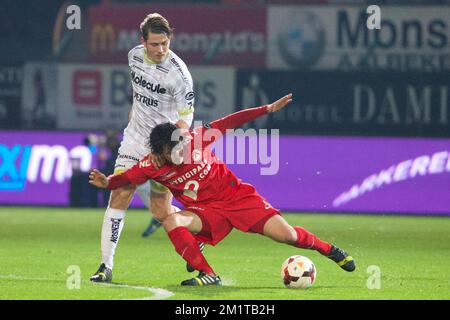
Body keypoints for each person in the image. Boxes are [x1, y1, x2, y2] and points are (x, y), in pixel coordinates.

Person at [89, 93, 356, 286]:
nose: (181, 152)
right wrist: (107, 183)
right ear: (160, 154)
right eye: (173, 151)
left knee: (287, 236)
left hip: (238, 198)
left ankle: (329, 250)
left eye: (180, 145)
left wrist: (266, 109)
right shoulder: (152, 165)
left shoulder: (195, 139)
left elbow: (231, 121)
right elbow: (124, 180)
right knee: (171, 220)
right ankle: (208, 274)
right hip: (205, 211)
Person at [90, 13, 200, 282]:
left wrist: (170, 147)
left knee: (162, 212)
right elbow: (140, 97)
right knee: (119, 194)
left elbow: (186, 118)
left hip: (164, 147)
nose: (161, 49)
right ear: (143, 42)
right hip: (135, 140)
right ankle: (106, 266)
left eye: (165, 43)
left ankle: (199, 234)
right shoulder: (133, 57)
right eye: (155, 44)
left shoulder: (180, 76)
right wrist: (134, 121)